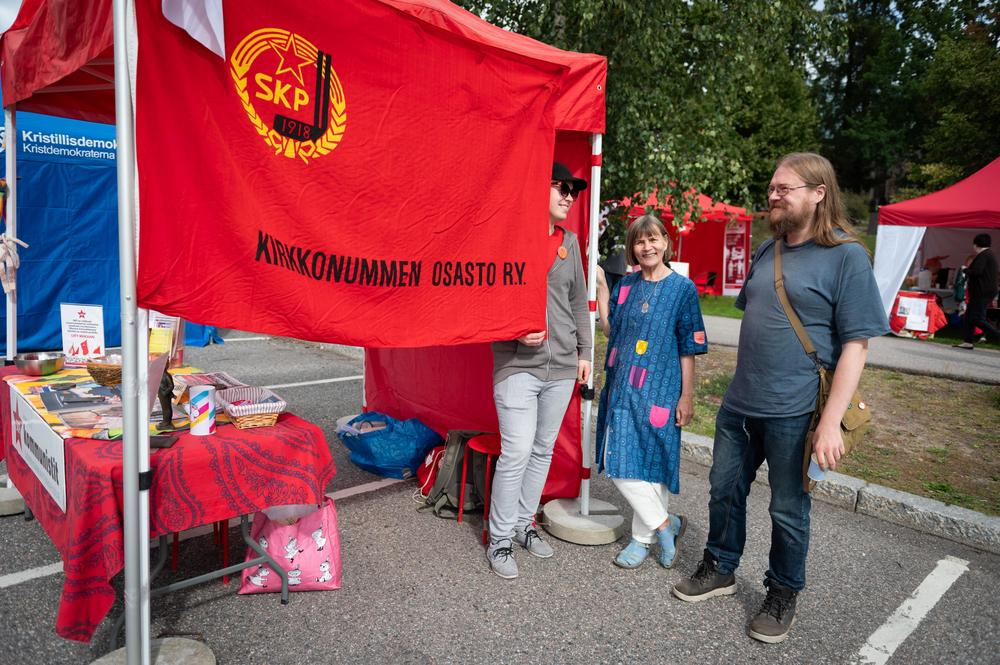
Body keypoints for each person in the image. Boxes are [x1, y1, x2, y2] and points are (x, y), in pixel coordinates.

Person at [672, 152, 889, 644]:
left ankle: (783, 591)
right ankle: (720, 566)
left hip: (796, 410)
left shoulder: (847, 256)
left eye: (784, 188)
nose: (773, 195)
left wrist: (830, 423)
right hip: (740, 404)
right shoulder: (767, 252)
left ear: (818, 193)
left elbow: (856, 346)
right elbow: (756, 318)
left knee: (787, 509)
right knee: (724, 490)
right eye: (772, 187)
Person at [486, 162, 593, 579]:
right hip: (517, 365)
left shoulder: (571, 243)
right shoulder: (509, 241)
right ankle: (499, 540)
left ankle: (522, 524)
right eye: (561, 188)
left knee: (542, 450)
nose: (569, 196)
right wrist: (514, 332)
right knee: (515, 452)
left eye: (574, 191)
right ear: (538, 190)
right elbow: (486, 302)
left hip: (563, 367)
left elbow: (579, 303)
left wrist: (585, 352)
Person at [594, 214, 707, 569]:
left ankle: (642, 540)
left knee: (652, 463)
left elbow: (689, 347)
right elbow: (614, 331)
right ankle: (665, 524)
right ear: (633, 248)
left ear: (665, 243)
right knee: (619, 460)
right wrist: (601, 291)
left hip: (662, 388)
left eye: (654, 239)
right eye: (640, 242)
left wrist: (687, 395)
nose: (647, 247)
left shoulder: (682, 289)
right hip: (623, 386)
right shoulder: (625, 286)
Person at [954, 233, 998, 349]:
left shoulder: (983, 255)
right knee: (969, 316)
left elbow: (977, 271)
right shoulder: (989, 254)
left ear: (975, 244)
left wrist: (965, 270)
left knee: (976, 318)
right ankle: (968, 341)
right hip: (984, 291)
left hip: (981, 292)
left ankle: (997, 335)